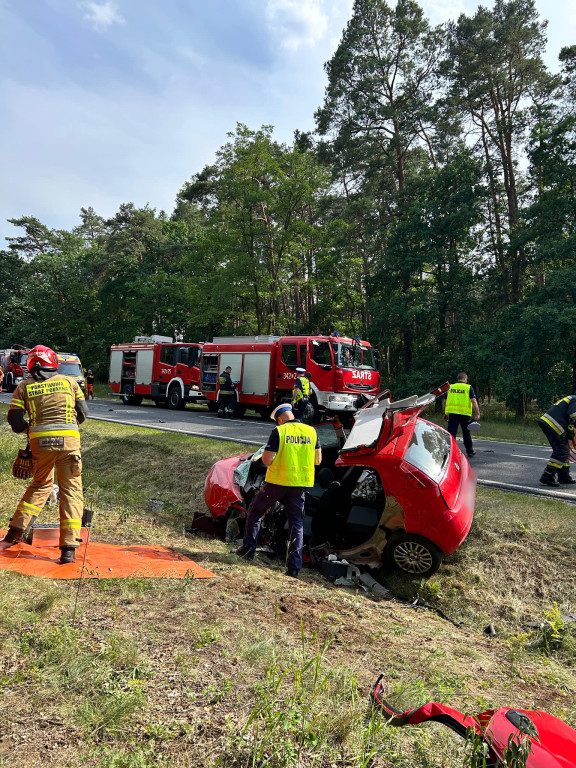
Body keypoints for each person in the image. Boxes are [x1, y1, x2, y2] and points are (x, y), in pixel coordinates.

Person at [2, 345, 89, 564]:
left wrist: (30, 430)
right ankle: (68, 549)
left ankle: (14, 533)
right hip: (69, 445)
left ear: (31, 366)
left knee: (40, 485)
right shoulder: (70, 383)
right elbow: (83, 413)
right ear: (53, 363)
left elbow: (14, 421)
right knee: (71, 492)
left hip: (40, 445)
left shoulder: (24, 387)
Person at [235, 403, 321, 578]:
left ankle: (248, 550)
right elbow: (318, 460)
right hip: (299, 486)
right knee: (296, 523)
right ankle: (294, 568)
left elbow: (266, 460)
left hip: (277, 483)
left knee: (255, 511)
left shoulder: (279, 432)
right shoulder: (311, 431)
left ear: (280, 420)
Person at [538, 395, 576, 486]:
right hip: (554, 425)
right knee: (562, 451)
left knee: (564, 451)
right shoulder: (575, 399)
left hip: (551, 423)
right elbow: (573, 414)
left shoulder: (572, 398)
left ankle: (564, 476)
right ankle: (547, 476)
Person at [443, 372, 480, 458]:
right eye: (466, 379)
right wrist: (477, 413)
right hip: (465, 414)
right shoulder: (468, 387)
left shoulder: (450, 387)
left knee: (451, 434)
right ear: (464, 379)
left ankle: (449, 452)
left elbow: (444, 401)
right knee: (466, 433)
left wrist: (445, 413)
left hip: (452, 414)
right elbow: (474, 401)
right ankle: (470, 451)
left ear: (458, 379)